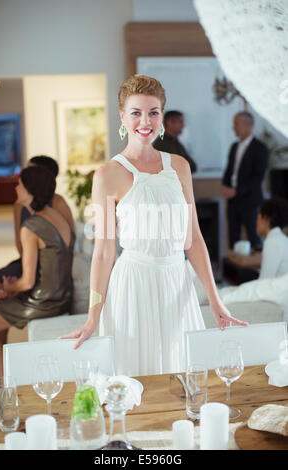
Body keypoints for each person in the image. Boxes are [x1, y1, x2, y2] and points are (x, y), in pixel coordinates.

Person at [61, 74, 247, 376]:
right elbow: (104, 254)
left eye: (153, 112)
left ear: (162, 116)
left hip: (178, 283)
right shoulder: (107, 175)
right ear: (122, 116)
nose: (144, 121)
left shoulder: (179, 167)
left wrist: (215, 301)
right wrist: (93, 316)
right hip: (133, 285)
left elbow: (194, 241)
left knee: (185, 380)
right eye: (135, 112)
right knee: (137, 379)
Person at [0, 166, 74, 378]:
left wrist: (9, 287)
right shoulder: (56, 216)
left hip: (43, 302)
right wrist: (12, 291)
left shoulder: (31, 226)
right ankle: (1, 373)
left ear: (30, 190)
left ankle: (5, 388)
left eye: (20, 183)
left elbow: (26, 282)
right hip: (61, 297)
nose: (16, 187)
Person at [0, 155, 75, 300]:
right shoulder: (19, 205)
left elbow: (70, 244)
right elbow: (20, 244)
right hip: (27, 262)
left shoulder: (58, 203)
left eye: (30, 171)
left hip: (50, 270)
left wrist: (16, 285)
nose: (25, 177)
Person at [221, 112, 269, 251]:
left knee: (254, 237)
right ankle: (235, 272)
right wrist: (225, 185)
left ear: (247, 125)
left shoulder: (260, 148)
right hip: (233, 201)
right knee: (233, 238)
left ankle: (256, 271)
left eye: (236, 124)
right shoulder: (234, 146)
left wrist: (236, 191)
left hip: (250, 200)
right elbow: (229, 170)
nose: (233, 127)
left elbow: (257, 177)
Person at [257, 198, 288, 279]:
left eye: (259, 218)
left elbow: (264, 281)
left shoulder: (273, 242)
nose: (256, 223)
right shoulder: (281, 239)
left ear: (266, 219)